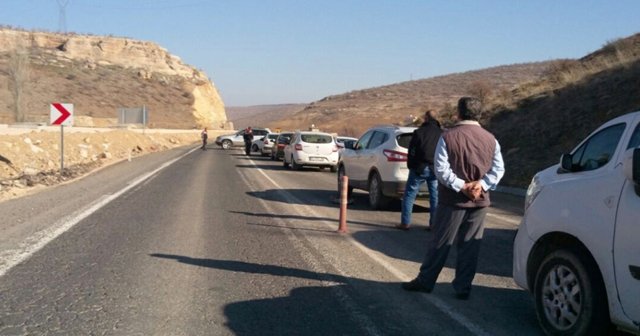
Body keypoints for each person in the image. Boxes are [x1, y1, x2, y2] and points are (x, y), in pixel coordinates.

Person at [402, 97, 505, 300]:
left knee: (440, 242)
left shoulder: (448, 137)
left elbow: (441, 169)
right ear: (479, 115)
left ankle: (425, 281)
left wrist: (461, 186)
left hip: (452, 200)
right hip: (479, 201)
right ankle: (463, 287)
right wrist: (481, 185)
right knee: (470, 245)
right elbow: (498, 169)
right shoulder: (491, 139)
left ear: (458, 113)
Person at [397, 109, 442, 231]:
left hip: (419, 168)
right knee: (435, 197)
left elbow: (411, 152)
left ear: (426, 118)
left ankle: (405, 223)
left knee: (410, 195)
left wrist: (411, 165)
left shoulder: (419, 132)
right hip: (435, 169)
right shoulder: (441, 133)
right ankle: (434, 225)